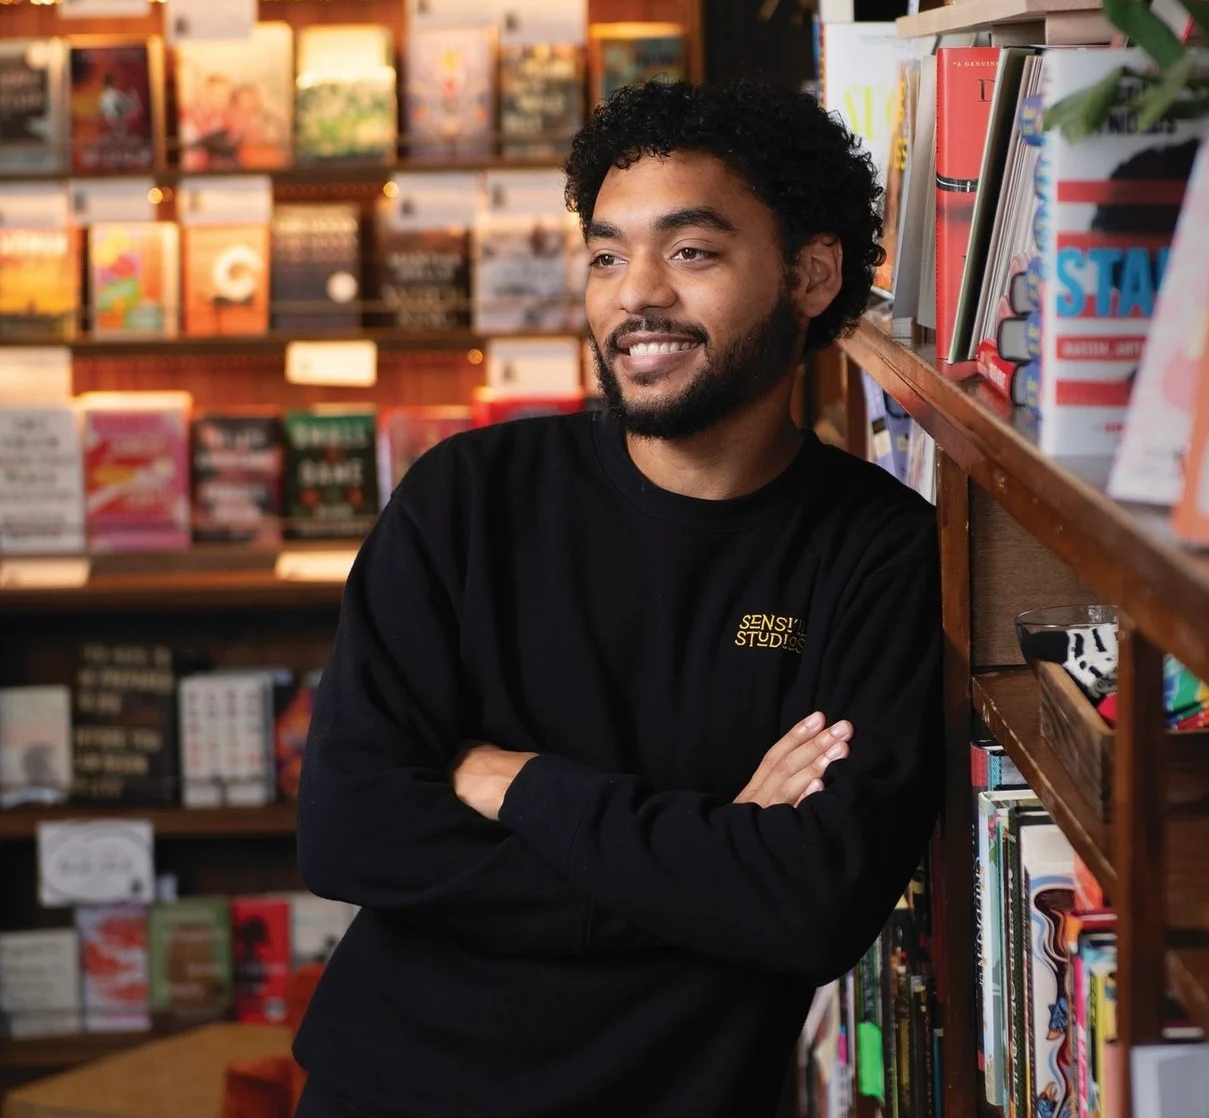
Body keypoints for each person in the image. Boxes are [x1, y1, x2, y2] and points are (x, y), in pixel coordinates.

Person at [293, 79, 944, 1118]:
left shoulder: (875, 552)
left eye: (692, 252)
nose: (636, 293)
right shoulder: (466, 498)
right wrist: (717, 850)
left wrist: (521, 785)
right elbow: (349, 826)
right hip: (394, 1089)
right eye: (605, 254)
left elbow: (814, 906)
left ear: (811, 274)